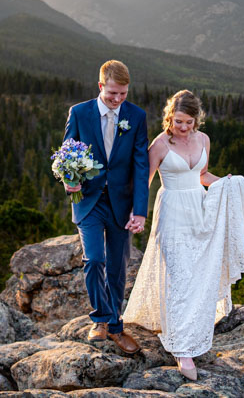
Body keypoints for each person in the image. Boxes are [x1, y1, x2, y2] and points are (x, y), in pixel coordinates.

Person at [123, 90, 244, 380]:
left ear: (197, 120)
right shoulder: (159, 145)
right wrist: (137, 215)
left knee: (196, 272)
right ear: (169, 118)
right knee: (179, 276)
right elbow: (143, 184)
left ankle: (192, 326)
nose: (183, 128)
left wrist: (227, 184)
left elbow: (202, 176)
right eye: (178, 121)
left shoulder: (204, 140)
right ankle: (182, 349)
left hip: (199, 209)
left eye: (189, 122)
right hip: (172, 212)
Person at [63, 59, 149, 355]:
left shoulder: (136, 117)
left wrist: (139, 210)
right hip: (88, 200)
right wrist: (68, 180)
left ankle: (114, 326)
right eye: (112, 93)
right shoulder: (79, 113)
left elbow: (140, 165)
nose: (117, 100)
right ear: (101, 86)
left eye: (123, 94)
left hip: (121, 203)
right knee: (94, 260)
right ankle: (101, 320)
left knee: (117, 266)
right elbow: (65, 155)